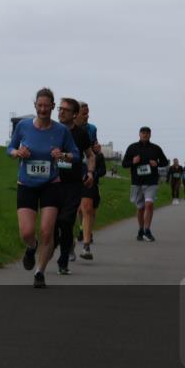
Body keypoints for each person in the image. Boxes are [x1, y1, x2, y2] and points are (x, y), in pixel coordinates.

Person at [7, 88, 80, 288]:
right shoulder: (23, 126)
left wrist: (63, 155)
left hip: (51, 185)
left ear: (52, 107)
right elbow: (9, 148)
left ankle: (40, 272)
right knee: (27, 232)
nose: (43, 109)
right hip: (27, 185)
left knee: (47, 231)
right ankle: (32, 247)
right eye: (39, 105)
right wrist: (17, 152)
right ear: (35, 106)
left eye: (46, 106)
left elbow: (76, 155)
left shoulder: (61, 131)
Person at [53, 98, 95, 274]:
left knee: (66, 221)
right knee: (52, 225)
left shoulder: (81, 134)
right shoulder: (51, 130)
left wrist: (91, 173)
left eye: (65, 110)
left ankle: (63, 262)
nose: (61, 112)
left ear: (75, 114)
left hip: (73, 184)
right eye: (59, 109)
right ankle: (46, 248)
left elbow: (90, 155)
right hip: (52, 183)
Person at [121, 127, 169, 242]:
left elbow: (165, 162)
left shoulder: (155, 148)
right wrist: (133, 162)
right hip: (137, 182)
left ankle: (147, 230)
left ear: (150, 135)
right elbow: (124, 164)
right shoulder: (132, 147)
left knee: (149, 204)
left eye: (147, 133)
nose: (145, 135)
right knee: (140, 208)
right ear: (139, 134)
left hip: (151, 182)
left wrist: (156, 163)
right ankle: (141, 229)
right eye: (143, 133)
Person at [76, 102, 103, 258]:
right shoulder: (64, 129)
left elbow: (92, 149)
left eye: (88, 113)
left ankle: (86, 246)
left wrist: (96, 150)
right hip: (70, 172)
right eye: (84, 113)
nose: (87, 116)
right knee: (74, 210)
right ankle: (69, 243)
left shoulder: (92, 129)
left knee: (87, 207)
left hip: (87, 171)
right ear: (75, 114)